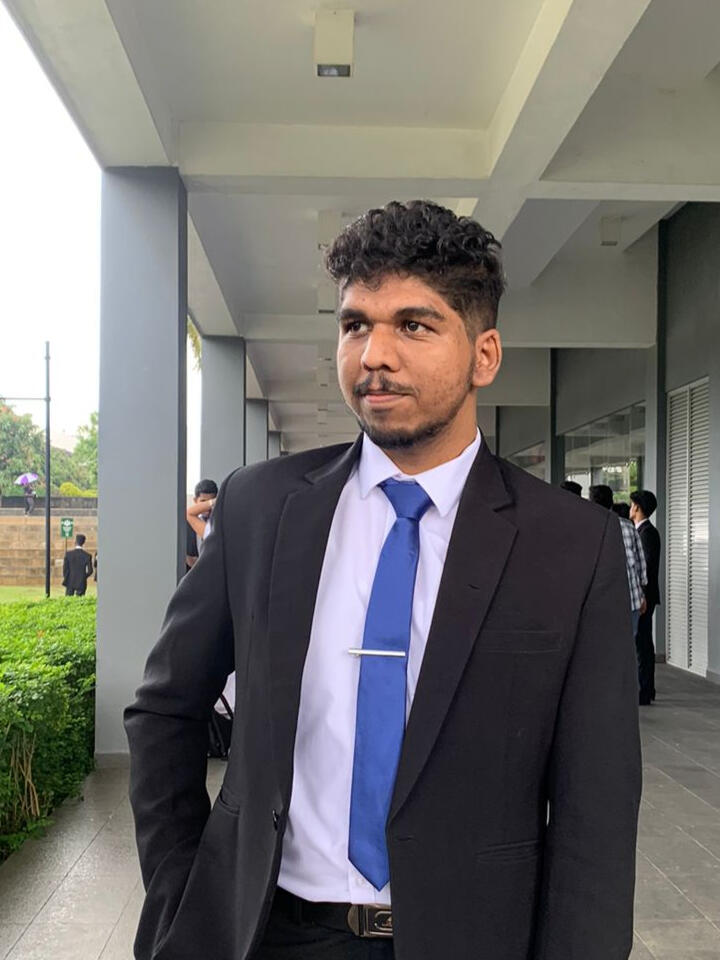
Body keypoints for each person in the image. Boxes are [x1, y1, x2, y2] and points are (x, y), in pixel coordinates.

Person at [125, 201, 641, 960]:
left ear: (485, 355)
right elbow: (166, 708)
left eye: (414, 325)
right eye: (355, 325)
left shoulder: (571, 543)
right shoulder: (261, 507)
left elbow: (597, 804)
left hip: (472, 940)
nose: (374, 354)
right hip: (271, 934)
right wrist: (181, 898)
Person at [590, 486, 648, 638]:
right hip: (631, 600)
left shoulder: (587, 528)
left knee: (600, 643)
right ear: (611, 502)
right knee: (628, 643)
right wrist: (642, 595)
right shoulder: (628, 526)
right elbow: (640, 564)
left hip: (598, 602)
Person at [630, 490, 661, 705]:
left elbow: (646, 568)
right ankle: (646, 688)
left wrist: (640, 595)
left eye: (632, 504)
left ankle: (645, 690)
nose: (630, 508)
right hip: (644, 596)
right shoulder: (642, 531)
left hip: (644, 598)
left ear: (637, 507)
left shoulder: (647, 533)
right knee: (642, 643)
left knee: (642, 644)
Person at [185, 479, 218, 572]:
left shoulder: (219, 523)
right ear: (195, 500)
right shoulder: (185, 524)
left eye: (211, 502)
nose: (207, 507)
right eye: (203, 502)